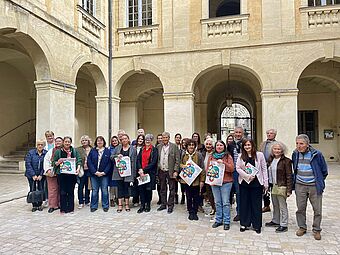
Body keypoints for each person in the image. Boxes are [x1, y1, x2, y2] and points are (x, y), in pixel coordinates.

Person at [292, 134, 328, 240]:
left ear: (307, 144)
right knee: (300, 208)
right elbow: (295, 167)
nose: (299, 146)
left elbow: (324, 171)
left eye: (301, 144)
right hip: (300, 185)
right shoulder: (295, 154)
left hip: (314, 186)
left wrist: (318, 181)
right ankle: (302, 227)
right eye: (297, 143)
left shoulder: (317, 154)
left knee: (317, 210)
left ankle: (316, 230)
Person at [236, 139, 268, 234]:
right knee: (244, 203)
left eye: (249, 145)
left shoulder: (259, 155)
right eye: (245, 145)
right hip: (244, 183)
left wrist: (265, 182)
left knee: (256, 204)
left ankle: (257, 225)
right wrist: (247, 176)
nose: (247, 147)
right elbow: (237, 168)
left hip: (257, 183)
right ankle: (244, 223)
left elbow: (264, 169)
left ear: (252, 145)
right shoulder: (240, 156)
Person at [265, 141, 293, 233]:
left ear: (282, 150)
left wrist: (289, 190)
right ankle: (276, 220)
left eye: (279, 149)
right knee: (275, 204)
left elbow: (289, 175)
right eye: (275, 149)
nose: (277, 151)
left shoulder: (287, 161)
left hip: (281, 186)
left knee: (282, 205)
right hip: (273, 185)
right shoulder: (270, 159)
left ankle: (284, 224)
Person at [207, 140, 234, 230]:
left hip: (226, 182)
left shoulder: (227, 156)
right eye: (217, 145)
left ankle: (226, 221)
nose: (219, 147)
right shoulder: (211, 156)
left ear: (224, 147)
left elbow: (232, 168)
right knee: (217, 202)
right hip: (215, 182)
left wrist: (223, 164)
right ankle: (218, 220)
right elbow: (208, 169)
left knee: (225, 202)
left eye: (221, 145)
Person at [53, 136, 82, 214]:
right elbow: (54, 162)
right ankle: (63, 209)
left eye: (68, 142)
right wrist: (58, 162)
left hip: (71, 175)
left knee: (71, 191)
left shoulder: (74, 151)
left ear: (70, 143)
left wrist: (78, 169)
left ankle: (70, 208)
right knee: (62, 191)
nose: (67, 143)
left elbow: (79, 160)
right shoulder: (58, 152)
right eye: (66, 141)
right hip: (61, 175)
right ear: (63, 142)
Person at [179, 139, 205, 220]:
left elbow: (202, 168)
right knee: (188, 196)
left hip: (196, 181)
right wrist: (182, 166)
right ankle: (190, 211)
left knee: (196, 196)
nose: (191, 146)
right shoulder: (183, 154)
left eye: (192, 145)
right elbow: (179, 164)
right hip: (187, 180)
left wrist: (202, 180)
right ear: (186, 146)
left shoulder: (199, 155)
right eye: (189, 145)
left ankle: (195, 211)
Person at [111, 134, 137, 212]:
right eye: (122, 139)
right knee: (119, 188)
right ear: (121, 141)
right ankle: (120, 205)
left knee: (127, 188)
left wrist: (134, 174)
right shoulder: (117, 148)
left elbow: (135, 162)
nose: (124, 140)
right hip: (119, 171)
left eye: (126, 138)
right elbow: (111, 157)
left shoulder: (133, 149)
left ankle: (127, 204)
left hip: (128, 172)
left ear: (128, 139)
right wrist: (116, 156)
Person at [157, 131, 180, 214]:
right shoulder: (159, 146)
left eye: (166, 137)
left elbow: (177, 160)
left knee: (172, 189)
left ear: (169, 138)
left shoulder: (174, 147)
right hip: (161, 171)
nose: (165, 139)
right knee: (162, 188)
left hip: (170, 171)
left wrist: (176, 171)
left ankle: (170, 205)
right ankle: (163, 204)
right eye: (163, 137)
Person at [87, 136, 112, 212]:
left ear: (104, 142)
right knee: (95, 190)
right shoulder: (92, 150)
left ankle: (105, 205)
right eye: (98, 141)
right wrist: (95, 172)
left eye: (101, 141)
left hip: (104, 174)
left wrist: (104, 172)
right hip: (94, 174)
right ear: (96, 142)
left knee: (104, 190)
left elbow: (109, 163)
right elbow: (89, 162)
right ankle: (94, 206)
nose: (99, 142)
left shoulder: (107, 151)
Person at [136, 134, 158, 213]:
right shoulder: (142, 149)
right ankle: (142, 205)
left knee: (148, 189)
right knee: (141, 189)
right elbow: (138, 160)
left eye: (149, 140)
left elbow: (153, 162)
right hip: (141, 173)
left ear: (151, 141)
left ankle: (148, 204)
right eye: (146, 140)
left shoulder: (154, 150)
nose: (147, 141)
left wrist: (144, 170)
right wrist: (140, 169)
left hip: (149, 173)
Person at [25, 139, 47, 212]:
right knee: (32, 189)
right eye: (38, 144)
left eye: (41, 144)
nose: (40, 146)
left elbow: (45, 165)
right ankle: (34, 205)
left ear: (44, 146)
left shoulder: (46, 153)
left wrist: (41, 174)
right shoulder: (31, 153)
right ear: (36, 145)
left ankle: (40, 204)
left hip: (41, 175)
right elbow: (28, 164)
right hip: (31, 175)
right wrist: (33, 175)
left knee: (41, 189)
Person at [228, 127, 244, 221]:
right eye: (236, 132)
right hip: (234, 171)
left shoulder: (246, 143)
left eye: (240, 132)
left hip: (243, 171)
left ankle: (243, 212)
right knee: (237, 192)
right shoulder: (230, 144)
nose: (238, 134)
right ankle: (239, 213)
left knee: (242, 192)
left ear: (242, 133)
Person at [43, 136, 63, 213]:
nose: (58, 143)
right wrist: (48, 170)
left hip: (62, 173)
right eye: (56, 141)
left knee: (61, 189)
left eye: (59, 141)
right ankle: (53, 205)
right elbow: (46, 161)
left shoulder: (65, 151)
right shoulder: (51, 151)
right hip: (52, 173)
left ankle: (61, 204)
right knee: (52, 189)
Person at [259, 128, 277, 213]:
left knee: (272, 186)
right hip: (263, 167)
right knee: (264, 187)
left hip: (273, 168)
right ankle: (266, 205)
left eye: (271, 133)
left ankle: (276, 205)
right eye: (268, 133)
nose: (269, 135)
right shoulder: (263, 144)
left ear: (275, 135)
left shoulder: (277, 144)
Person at [76, 135, 92, 209]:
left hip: (89, 170)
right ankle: (81, 201)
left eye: (85, 140)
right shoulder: (78, 149)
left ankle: (87, 200)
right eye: (82, 140)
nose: (84, 142)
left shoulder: (92, 149)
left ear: (88, 141)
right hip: (81, 170)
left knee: (88, 186)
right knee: (80, 186)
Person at [202, 137, 215, 217]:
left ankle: (216, 209)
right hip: (205, 177)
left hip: (213, 177)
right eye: (207, 144)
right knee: (209, 194)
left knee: (215, 194)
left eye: (210, 144)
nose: (208, 145)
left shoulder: (215, 154)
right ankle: (213, 208)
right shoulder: (203, 153)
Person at [132, 134, 145, 206]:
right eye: (139, 139)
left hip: (142, 168)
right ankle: (135, 200)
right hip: (134, 168)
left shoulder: (144, 148)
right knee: (135, 185)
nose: (140, 140)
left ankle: (143, 200)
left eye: (142, 139)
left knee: (142, 184)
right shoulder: (133, 147)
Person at [109, 136, 119, 207]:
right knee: (112, 185)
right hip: (111, 169)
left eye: (115, 140)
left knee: (118, 185)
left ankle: (117, 198)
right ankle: (111, 199)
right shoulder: (109, 149)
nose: (114, 142)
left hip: (119, 169)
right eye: (113, 141)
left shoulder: (120, 148)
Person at [174, 133, 182, 204]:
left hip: (182, 168)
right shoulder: (173, 146)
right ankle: (175, 197)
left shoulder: (182, 147)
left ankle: (183, 197)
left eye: (179, 137)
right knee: (175, 184)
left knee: (182, 184)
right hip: (175, 168)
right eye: (177, 137)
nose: (178, 139)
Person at [155, 133, 163, 205]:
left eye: (161, 138)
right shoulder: (156, 147)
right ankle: (160, 198)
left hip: (164, 169)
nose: (160, 139)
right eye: (159, 138)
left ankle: (164, 199)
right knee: (159, 186)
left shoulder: (164, 147)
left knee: (164, 186)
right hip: (157, 170)